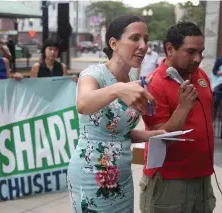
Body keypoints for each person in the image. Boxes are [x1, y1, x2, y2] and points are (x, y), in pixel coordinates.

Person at [67, 14, 166, 213]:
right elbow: (83, 104)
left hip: (122, 177)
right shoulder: (92, 75)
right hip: (91, 176)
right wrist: (118, 89)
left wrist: (151, 136)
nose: (143, 45)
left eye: (145, 39)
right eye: (135, 38)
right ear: (114, 43)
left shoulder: (132, 77)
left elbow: (117, 132)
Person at [140, 22, 216, 213]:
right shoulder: (154, 84)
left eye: (201, 51)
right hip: (169, 181)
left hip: (202, 177)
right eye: (190, 52)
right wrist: (183, 108)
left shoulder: (201, 76)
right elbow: (161, 138)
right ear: (169, 49)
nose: (197, 58)